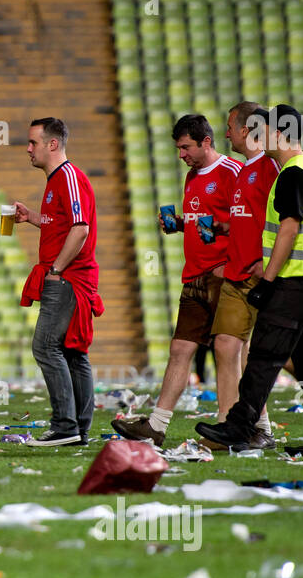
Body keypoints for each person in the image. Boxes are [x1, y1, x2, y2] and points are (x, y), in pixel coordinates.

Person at [196, 105, 303, 456]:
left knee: (265, 355)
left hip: (297, 280)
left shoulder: (293, 173)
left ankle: (239, 426)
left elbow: (289, 228)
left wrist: (267, 279)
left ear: (279, 133)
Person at [112, 114, 240, 447]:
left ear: (206, 142)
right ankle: (156, 425)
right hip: (194, 276)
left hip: (224, 276)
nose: (181, 155)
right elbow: (207, 223)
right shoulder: (192, 177)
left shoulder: (233, 172)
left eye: (185, 147)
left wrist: (232, 266)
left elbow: (249, 220)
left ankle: (237, 426)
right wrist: (181, 225)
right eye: (178, 148)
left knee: (231, 353)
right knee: (180, 349)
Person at [13, 117, 103, 447]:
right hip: (71, 276)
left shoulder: (67, 177)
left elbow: (80, 228)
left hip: (68, 278)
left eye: (33, 142)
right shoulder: (57, 181)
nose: (28, 148)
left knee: (45, 346)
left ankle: (65, 425)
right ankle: (79, 429)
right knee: (72, 351)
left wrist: (56, 270)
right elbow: (63, 224)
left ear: (53, 144)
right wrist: (32, 218)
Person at [204, 102, 278, 449]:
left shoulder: (270, 167)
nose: (227, 133)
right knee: (225, 345)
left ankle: (259, 426)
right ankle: (227, 424)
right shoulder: (243, 170)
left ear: (247, 130)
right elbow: (244, 218)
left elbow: (286, 218)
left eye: (231, 126)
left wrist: (269, 263)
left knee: (259, 354)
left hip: (260, 274)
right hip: (236, 272)